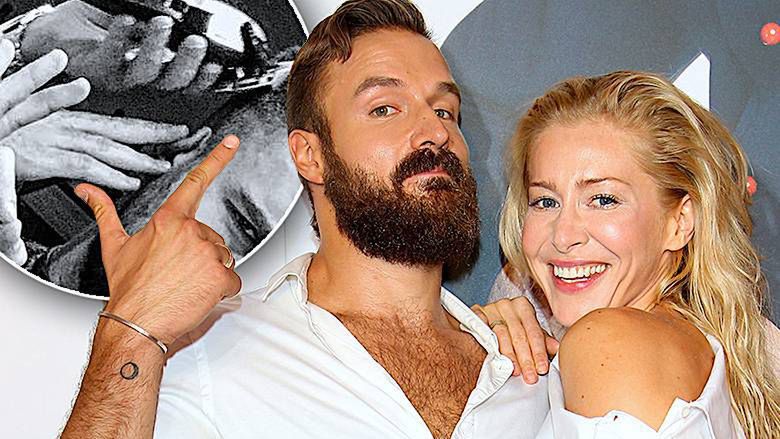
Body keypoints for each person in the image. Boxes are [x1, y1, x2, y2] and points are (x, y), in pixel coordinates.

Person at [60, 1, 551, 438]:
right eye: (384, 108)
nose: (434, 132)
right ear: (310, 156)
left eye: (445, 111)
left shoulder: (529, 367)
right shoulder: (212, 354)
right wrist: (130, 332)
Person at [480, 71, 780, 437]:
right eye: (545, 201)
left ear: (679, 222)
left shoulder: (608, 340)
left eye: (603, 200)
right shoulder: (697, 348)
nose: (563, 235)